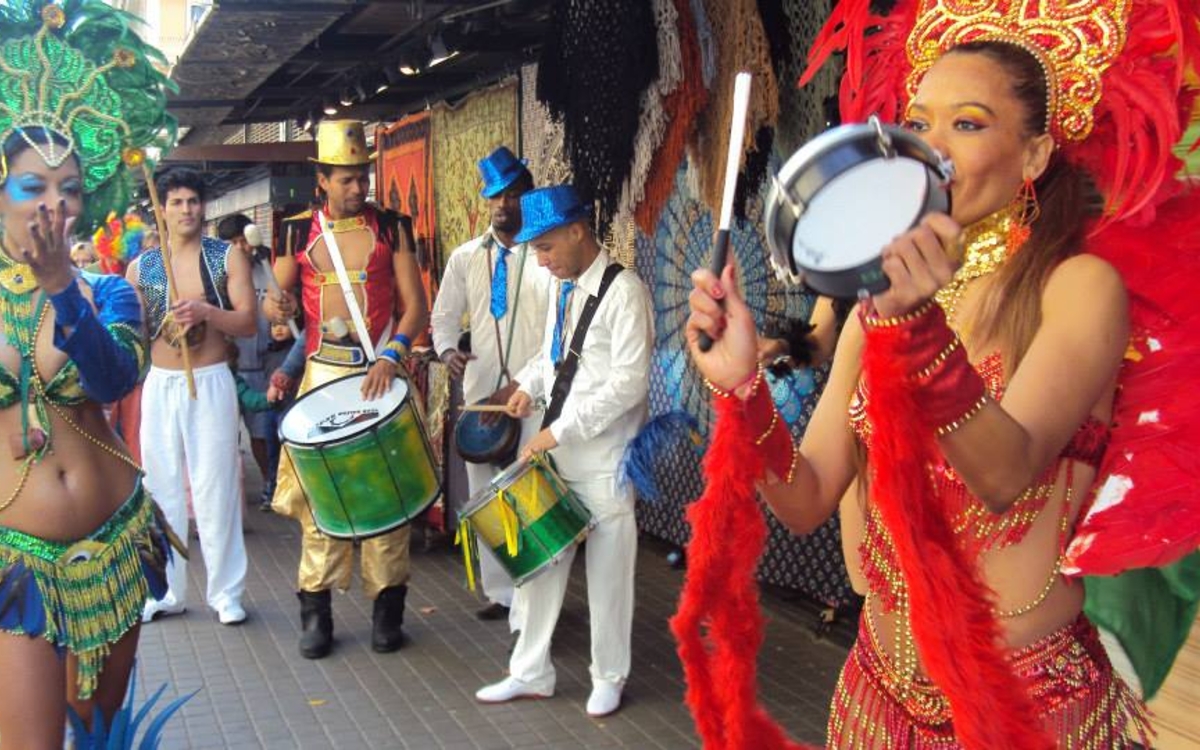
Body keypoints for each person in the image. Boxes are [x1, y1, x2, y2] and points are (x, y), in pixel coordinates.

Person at [679, 0, 1200, 746]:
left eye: (969, 123)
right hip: (875, 698)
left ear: (1035, 155)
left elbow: (1006, 472)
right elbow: (804, 499)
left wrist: (913, 329)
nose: (936, 150)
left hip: (1023, 708)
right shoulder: (875, 306)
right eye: (919, 124)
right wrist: (741, 386)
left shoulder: (1077, 287)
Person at [0, 3, 177, 745]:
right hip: (21, 566)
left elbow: (110, 380)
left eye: (69, 188)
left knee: (101, 737)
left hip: (115, 546)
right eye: (31, 186)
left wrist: (60, 287)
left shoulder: (112, 291)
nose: (54, 204)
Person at [475, 185, 653, 718]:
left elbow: (629, 383)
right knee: (539, 567)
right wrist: (526, 385)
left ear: (579, 230)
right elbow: (552, 358)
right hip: (559, 451)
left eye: (547, 247)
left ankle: (609, 676)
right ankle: (530, 672)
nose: (542, 259)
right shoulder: (562, 286)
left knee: (609, 574)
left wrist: (559, 430)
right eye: (535, 251)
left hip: (605, 460)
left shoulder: (625, 292)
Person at [264, 119, 428, 659]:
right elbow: (276, 299)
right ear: (323, 181)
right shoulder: (295, 230)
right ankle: (316, 613)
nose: (359, 188)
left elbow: (415, 306)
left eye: (363, 176)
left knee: (386, 497)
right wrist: (279, 308)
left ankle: (388, 611)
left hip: (380, 369)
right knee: (323, 502)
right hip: (323, 377)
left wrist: (393, 354)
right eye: (348, 179)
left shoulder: (393, 227)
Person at [128, 168, 257, 626]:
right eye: (177, 202)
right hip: (160, 384)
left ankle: (226, 593)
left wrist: (206, 311)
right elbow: (131, 333)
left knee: (215, 486)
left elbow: (247, 323)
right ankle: (166, 591)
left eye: (193, 201)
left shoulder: (227, 258)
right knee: (159, 489)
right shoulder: (141, 267)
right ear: (161, 209)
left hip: (210, 380)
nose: (187, 210)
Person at [431, 146, 549, 622]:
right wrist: (446, 352)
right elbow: (442, 319)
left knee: (528, 494)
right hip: (480, 393)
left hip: (530, 394)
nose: (503, 205)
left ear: (527, 195)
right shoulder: (464, 258)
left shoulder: (544, 255)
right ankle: (501, 593)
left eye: (513, 193)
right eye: (495, 196)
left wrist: (531, 380)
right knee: (484, 496)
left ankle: (534, 598)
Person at [217, 214, 290, 510]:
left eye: (243, 240)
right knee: (238, 434)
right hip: (235, 367)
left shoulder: (270, 269)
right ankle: (260, 482)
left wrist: (286, 322)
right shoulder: (219, 278)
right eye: (232, 243)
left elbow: (289, 304)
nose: (241, 247)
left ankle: (274, 481)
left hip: (271, 360)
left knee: (268, 430)